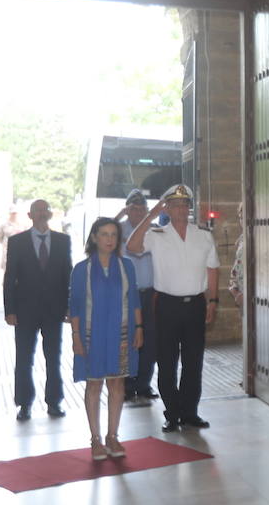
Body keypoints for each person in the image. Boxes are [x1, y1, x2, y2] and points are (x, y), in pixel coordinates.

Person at [125, 184, 220, 433]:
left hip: (195, 305)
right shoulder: (156, 235)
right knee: (167, 362)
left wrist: (213, 300)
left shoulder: (203, 235)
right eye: (175, 204)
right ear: (166, 208)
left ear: (189, 207)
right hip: (167, 305)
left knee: (193, 361)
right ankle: (172, 413)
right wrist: (150, 214)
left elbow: (212, 268)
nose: (181, 209)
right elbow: (132, 247)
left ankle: (190, 412)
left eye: (185, 204)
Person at [69, 218, 143, 460]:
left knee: (117, 383)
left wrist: (139, 327)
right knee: (94, 384)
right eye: (104, 234)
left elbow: (134, 300)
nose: (109, 239)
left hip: (121, 334)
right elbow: (76, 306)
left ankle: (113, 436)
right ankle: (95, 439)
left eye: (113, 234)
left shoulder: (126, 266)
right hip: (91, 336)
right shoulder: (82, 269)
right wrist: (76, 337)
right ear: (94, 237)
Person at [4, 199, 72, 421]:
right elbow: (10, 277)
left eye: (45, 210)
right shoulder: (17, 242)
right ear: (30, 215)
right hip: (25, 311)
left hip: (54, 310)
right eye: (38, 211)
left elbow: (67, 275)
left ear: (50, 214)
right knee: (24, 358)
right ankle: (24, 404)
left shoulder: (63, 241)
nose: (42, 214)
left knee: (54, 357)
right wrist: (9, 309)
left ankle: (54, 402)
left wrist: (70, 306)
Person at [115, 190, 159, 403]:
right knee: (126, 340)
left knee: (149, 341)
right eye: (133, 209)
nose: (138, 213)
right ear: (127, 209)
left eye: (142, 209)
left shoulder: (155, 231)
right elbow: (94, 239)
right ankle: (126, 384)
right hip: (125, 294)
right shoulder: (117, 230)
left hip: (149, 293)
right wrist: (118, 216)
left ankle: (143, 384)